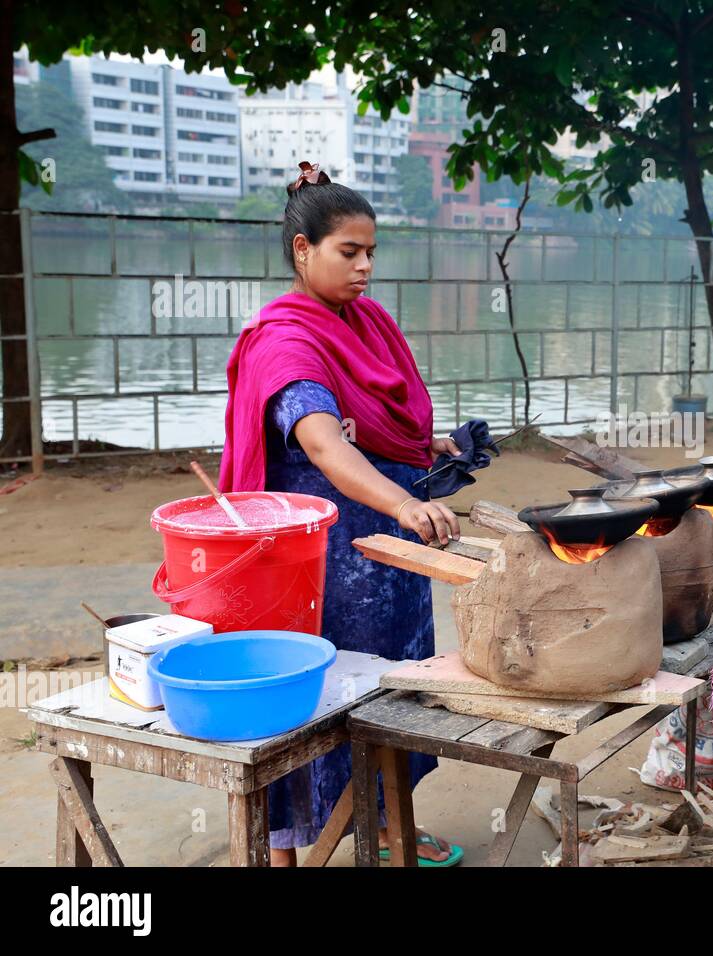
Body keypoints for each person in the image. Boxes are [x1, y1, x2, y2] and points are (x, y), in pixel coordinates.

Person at [219, 162, 466, 866]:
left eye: (371, 254)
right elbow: (325, 445)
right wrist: (404, 501)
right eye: (348, 252)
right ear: (303, 251)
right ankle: (299, 847)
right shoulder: (286, 340)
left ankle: (389, 829)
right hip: (324, 567)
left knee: (395, 687)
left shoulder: (367, 323)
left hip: (391, 558)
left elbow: (377, 424)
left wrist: (433, 446)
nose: (364, 269)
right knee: (319, 702)